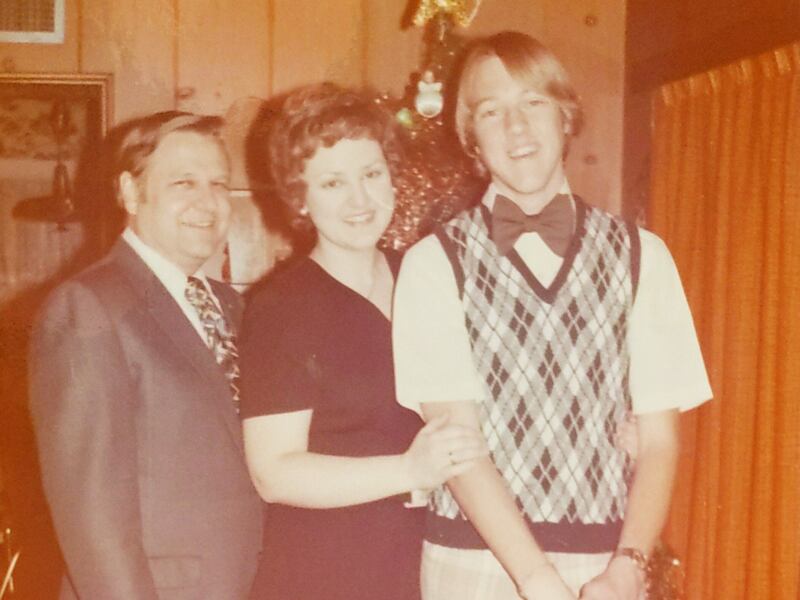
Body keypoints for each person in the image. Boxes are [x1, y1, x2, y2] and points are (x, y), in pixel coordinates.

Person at [392, 31, 713, 600]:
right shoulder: (431, 264)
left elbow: (661, 440)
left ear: (565, 116)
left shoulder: (645, 257)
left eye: (533, 103)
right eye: (492, 112)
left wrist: (628, 566)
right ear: (472, 137)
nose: (516, 129)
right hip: (474, 564)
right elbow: (459, 442)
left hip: (606, 568)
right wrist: (538, 580)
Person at [238, 83, 487, 600]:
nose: (359, 199)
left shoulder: (426, 277)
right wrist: (408, 469)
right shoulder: (282, 307)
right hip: (324, 575)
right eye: (332, 183)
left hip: (425, 564)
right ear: (299, 197)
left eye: (371, 175)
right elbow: (274, 473)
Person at [28, 111, 262, 599]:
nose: (208, 201)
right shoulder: (87, 306)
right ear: (130, 194)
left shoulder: (232, 306)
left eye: (219, 184)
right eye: (184, 183)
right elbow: (91, 517)